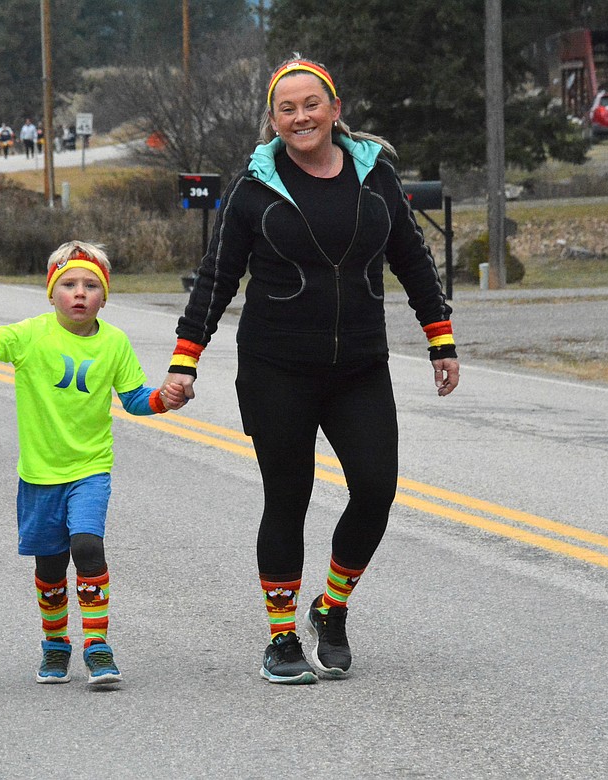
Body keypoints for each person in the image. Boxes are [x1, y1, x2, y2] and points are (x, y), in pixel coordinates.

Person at [163, 57, 459, 686]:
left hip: (359, 366)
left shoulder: (375, 175)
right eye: (287, 108)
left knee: (376, 491)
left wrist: (440, 338)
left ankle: (331, 606)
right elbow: (216, 279)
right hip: (277, 369)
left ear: (335, 109)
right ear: (273, 121)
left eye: (311, 104)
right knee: (288, 499)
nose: (301, 117)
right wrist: (185, 361)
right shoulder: (252, 188)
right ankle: (280, 638)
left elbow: (411, 256)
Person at [0, 241, 187, 685]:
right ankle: (55, 644)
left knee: (88, 548)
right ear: (51, 292)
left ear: (105, 296)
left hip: (90, 469)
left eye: (91, 286)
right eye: (69, 284)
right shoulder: (32, 335)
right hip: (39, 474)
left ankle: (97, 646)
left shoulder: (114, 343)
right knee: (50, 567)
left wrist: (163, 400)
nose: (80, 293)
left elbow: (134, 399)